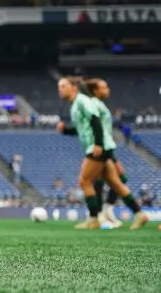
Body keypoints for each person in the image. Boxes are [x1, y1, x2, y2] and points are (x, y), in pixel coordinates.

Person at [57, 77, 148, 230]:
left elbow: (95, 121)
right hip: (102, 147)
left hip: (98, 147)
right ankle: (140, 214)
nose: (60, 89)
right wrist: (65, 130)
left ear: (73, 87)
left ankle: (94, 219)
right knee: (116, 183)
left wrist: (98, 144)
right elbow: (82, 129)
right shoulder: (77, 105)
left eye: (63, 86)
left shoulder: (82, 101)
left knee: (85, 181)